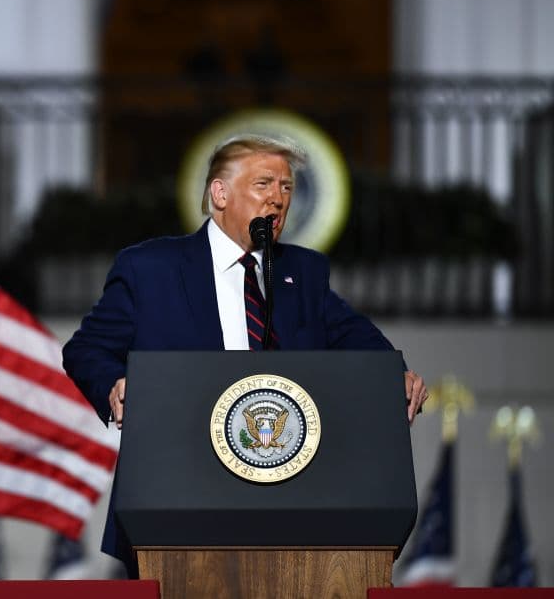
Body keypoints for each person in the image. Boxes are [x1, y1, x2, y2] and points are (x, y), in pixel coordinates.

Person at [61, 133, 428, 573]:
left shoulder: (303, 273)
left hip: (295, 505)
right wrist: (114, 386)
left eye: (287, 187)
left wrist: (395, 373)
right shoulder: (150, 269)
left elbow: (355, 334)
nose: (277, 199)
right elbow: (86, 349)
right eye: (264, 184)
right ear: (220, 193)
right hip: (177, 498)